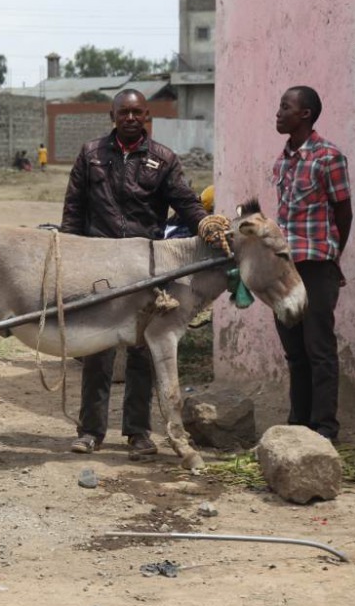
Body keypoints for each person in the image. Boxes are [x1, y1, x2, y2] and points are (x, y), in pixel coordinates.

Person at [60, 89, 230, 459]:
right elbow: (73, 209)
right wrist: (69, 255)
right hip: (98, 264)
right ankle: (90, 431)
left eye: (137, 112)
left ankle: (138, 434)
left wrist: (207, 225)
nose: (131, 118)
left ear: (147, 115)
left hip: (147, 268)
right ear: (113, 115)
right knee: (97, 349)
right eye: (124, 112)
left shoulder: (163, 159)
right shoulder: (91, 155)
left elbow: (186, 203)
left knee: (142, 351)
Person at [272, 85, 352, 442]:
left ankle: (325, 428)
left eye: (285, 107)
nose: (278, 112)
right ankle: (298, 424)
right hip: (285, 269)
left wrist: (334, 256)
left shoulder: (328, 157)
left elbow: (343, 212)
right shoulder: (283, 161)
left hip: (317, 265)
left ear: (304, 114)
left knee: (319, 348)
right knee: (294, 351)